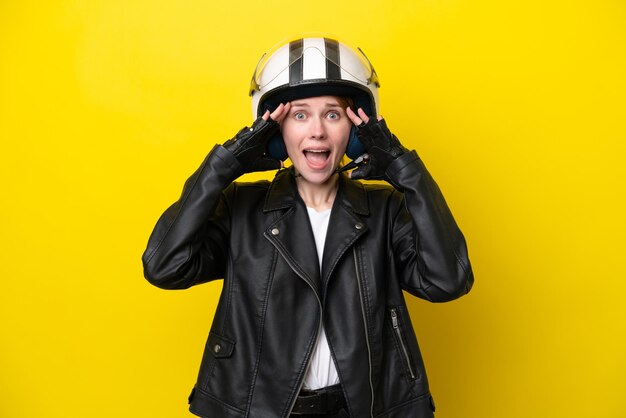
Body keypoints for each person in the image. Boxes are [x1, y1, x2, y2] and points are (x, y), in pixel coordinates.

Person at [142, 37, 473, 418]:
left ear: (355, 130)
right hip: (259, 410)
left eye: (332, 114)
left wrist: (406, 172)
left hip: (362, 409)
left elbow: (447, 281)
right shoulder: (240, 208)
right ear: (276, 132)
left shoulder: (385, 210)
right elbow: (164, 267)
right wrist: (222, 168)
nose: (317, 131)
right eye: (300, 115)